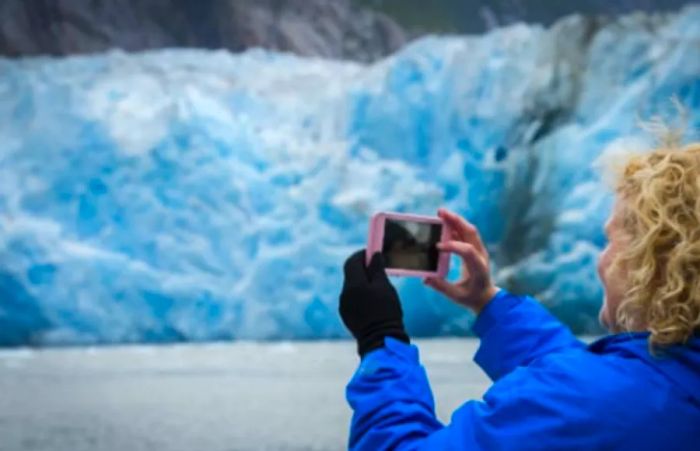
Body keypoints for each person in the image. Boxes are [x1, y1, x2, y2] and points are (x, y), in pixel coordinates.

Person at [338, 142, 700, 450]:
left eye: (609, 240)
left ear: (655, 261)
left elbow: (585, 400)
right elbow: (597, 388)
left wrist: (380, 340)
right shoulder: (672, 385)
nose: (601, 260)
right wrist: (488, 301)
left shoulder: (596, 402)